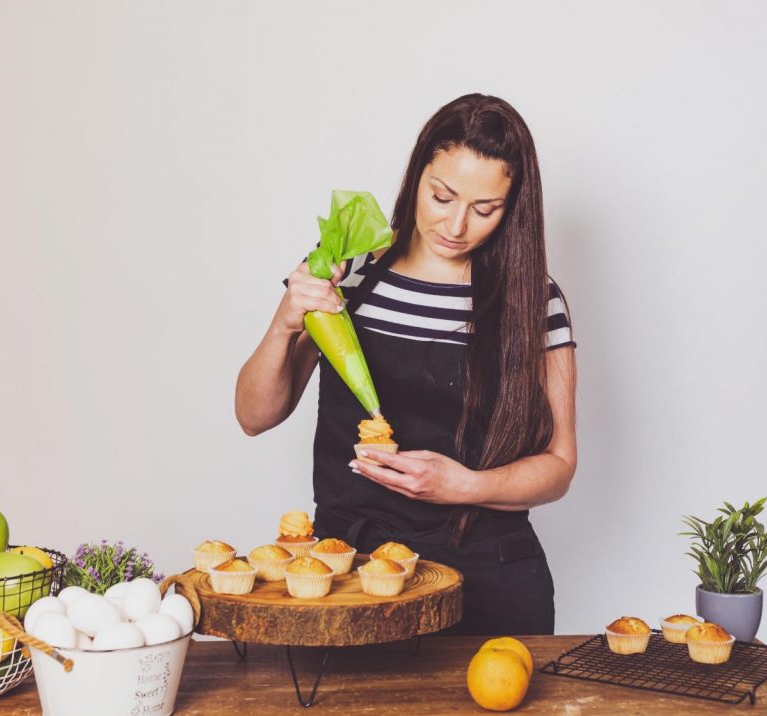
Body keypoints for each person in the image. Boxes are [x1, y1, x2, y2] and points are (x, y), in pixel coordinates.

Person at [235, 94, 577, 636]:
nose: (456, 225)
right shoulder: (346, 272)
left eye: (485, 209)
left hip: (491, 577)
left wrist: (462, 486)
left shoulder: (535, 301)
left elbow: (558, 466)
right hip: (347, 571)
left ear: (512, 209)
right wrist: (285, 322)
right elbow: (254, 415)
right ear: (417, 174)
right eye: (442, 196)